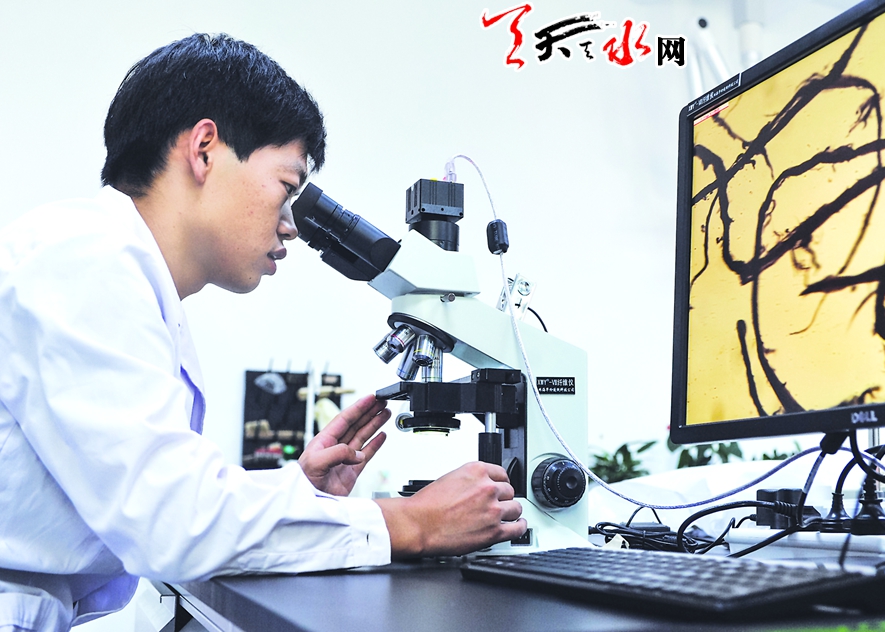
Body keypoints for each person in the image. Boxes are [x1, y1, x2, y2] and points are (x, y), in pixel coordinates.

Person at [0, 33, 526, 631]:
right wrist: (409, 522)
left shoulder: (114, 270)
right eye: (286, 187)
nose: (292, 225)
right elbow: (174, 522)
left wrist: (297, 493)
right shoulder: (86, 262)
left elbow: (161, 495)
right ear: (204, 150)